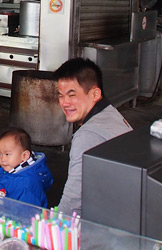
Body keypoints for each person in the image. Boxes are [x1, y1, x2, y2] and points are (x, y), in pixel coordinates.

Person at [54, 57, 132, 216]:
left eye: (72, 94)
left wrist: (53, 227)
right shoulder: (111, 113)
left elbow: (73, 200)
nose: (64, 103)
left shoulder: (87, 136)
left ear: (95, 94)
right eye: (61, 95)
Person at [0, 128, 53, 228]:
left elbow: (24, 221)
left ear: (24, 156)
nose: (2, 159)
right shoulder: (8, 170)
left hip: (7, 233)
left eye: (7, 154)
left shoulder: (27, 186)